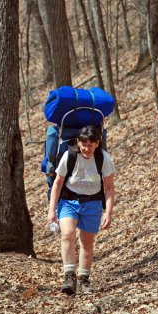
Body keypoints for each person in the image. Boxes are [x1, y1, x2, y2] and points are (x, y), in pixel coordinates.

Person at [48, 125, 116, 295]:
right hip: (68, 201)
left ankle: (84, 279)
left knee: (86, 243)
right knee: (67, 234)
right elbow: (57, 183)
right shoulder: (69, 156)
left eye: (90, 145)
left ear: (97, 143)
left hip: (92, 204)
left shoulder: (104, 158)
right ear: (78, 142)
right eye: (83, 144)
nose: (86, 148)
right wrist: (51, 210)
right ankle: (69, 277)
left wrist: (108, 212)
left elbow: (109, 188)